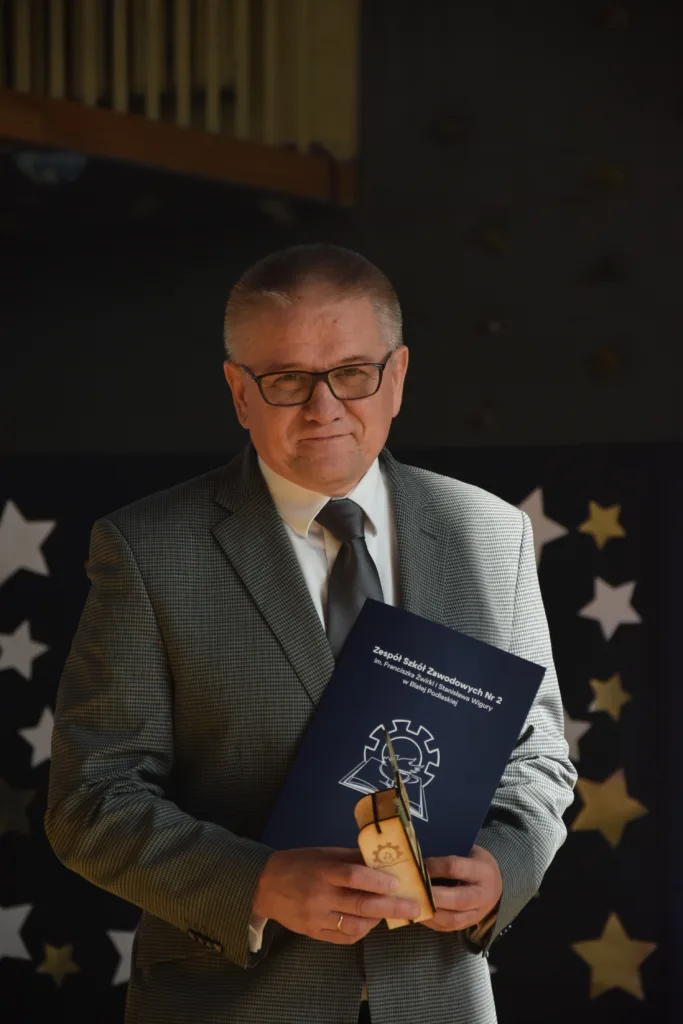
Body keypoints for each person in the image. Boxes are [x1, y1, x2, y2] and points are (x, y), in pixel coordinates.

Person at [45, 243, 576, 1024]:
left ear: (396, 377)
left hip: (438, 999)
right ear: (240, 392)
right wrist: (256, 884)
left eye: (352, 373)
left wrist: (504, 866)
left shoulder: (491, 534)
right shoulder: (147, 550)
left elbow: (537, 757)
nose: (323, 407)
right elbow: (92, 800)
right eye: (287, 380)